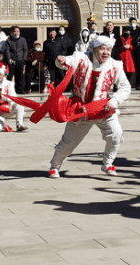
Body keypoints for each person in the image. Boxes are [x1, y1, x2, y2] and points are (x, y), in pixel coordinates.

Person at [47, 33, 131, 178]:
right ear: (94, 49)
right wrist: (61, 60)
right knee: (68, 143)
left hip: (103, 108)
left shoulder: (115, 65)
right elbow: (68, 61)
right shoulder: (82, 58)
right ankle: (55, 165)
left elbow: (125, 87)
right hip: (80, 109)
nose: (105, 52)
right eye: (102, 49)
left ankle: (108, 163)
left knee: (116, 135)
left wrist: (114, 101)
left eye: (108, 49)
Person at [3, 26, 29, 94]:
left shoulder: (23, 40)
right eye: (15, 31)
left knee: (20, 76)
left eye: (18, 31)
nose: (16, 33)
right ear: (12, 32)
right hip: (12, 60)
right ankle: (8, 91)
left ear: (19, 32)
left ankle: (19, 90)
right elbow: (7, 50)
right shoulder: (8, 40)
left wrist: (24, 59)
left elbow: (25, 50)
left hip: (20, 60)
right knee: (10, 76)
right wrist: (9, 59)